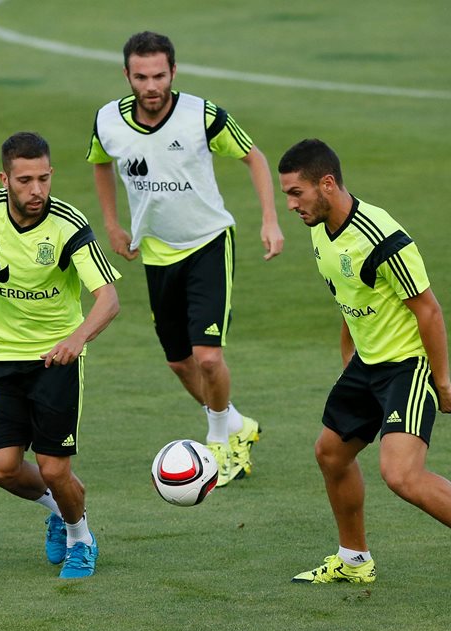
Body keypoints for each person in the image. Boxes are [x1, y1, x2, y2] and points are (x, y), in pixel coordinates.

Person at [277, 138, 451, 606]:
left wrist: (442, 382)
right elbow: (350, 297)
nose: (290, 204)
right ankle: (354, 559)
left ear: (326, 184)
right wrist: (348, 360)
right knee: (331, 454)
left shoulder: (382, 238)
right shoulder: (319, 229)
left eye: (296, 193)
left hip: (406, 367)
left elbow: (429, 311)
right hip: (366, 363)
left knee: (401, 474)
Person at [86, 31, 279, 486]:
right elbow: (100, 163)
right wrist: (113, 225)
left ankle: (219, 447)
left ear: (174, 71)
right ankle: (236, 423)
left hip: (209, 242)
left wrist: (269, 220)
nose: (151, 86)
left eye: (159, 75)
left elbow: (254, 157)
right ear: (127, 76)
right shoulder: (108, 121)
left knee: (208, 357)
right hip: (156, 252)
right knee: (179, 362)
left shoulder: (202, 115)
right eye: (141, 77)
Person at [0, 132, 120, 578]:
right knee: (2, 469)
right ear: (5, 179)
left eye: (43, 178)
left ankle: (81, 537)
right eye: (24, 181)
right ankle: (60, 510)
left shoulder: (68, 226)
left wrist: (76, 340)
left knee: (55, 469)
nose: (36, 190)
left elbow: (108, 299)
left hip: (54, 360)